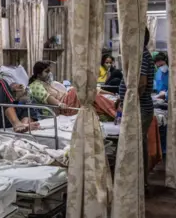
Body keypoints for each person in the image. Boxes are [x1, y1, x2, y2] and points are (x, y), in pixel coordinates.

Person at [118, 27, 154, 190]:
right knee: (139, 144)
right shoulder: (140, 55)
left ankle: (137, 184)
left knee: (135, 145)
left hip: (139, 107)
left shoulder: (141, 55)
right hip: (138, 106)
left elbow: (141, 84)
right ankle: (141, 181)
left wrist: (129, 103)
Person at [28, 61, 117, 119]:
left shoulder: (48, 82)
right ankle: (114, 109)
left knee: (91, 100)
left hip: (68, 99)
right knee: (80, 89)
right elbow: (46, 97)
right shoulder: (35, 86)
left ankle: (113, 108)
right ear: (38, 74)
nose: (49, 73)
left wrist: (112, 93)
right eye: (47, 71)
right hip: (64, 107)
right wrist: (59, 104)